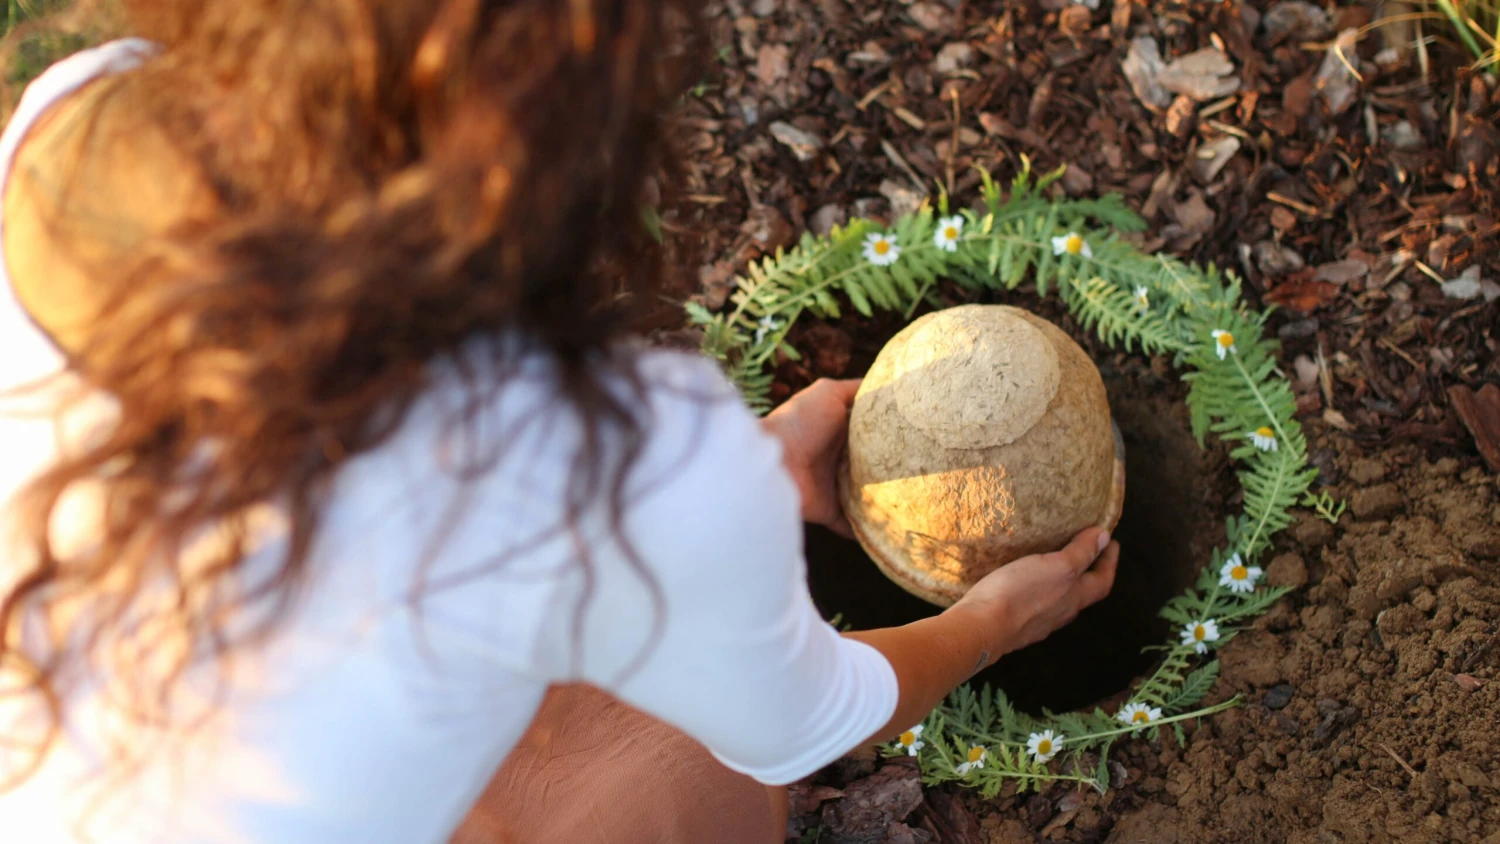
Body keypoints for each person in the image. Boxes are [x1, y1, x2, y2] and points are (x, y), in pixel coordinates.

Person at [0, 2, 1120, 842]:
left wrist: (713, 495)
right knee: (696, 785)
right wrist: (987, 624)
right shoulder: (607, 452)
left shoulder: (86, 127)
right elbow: (807, 721)